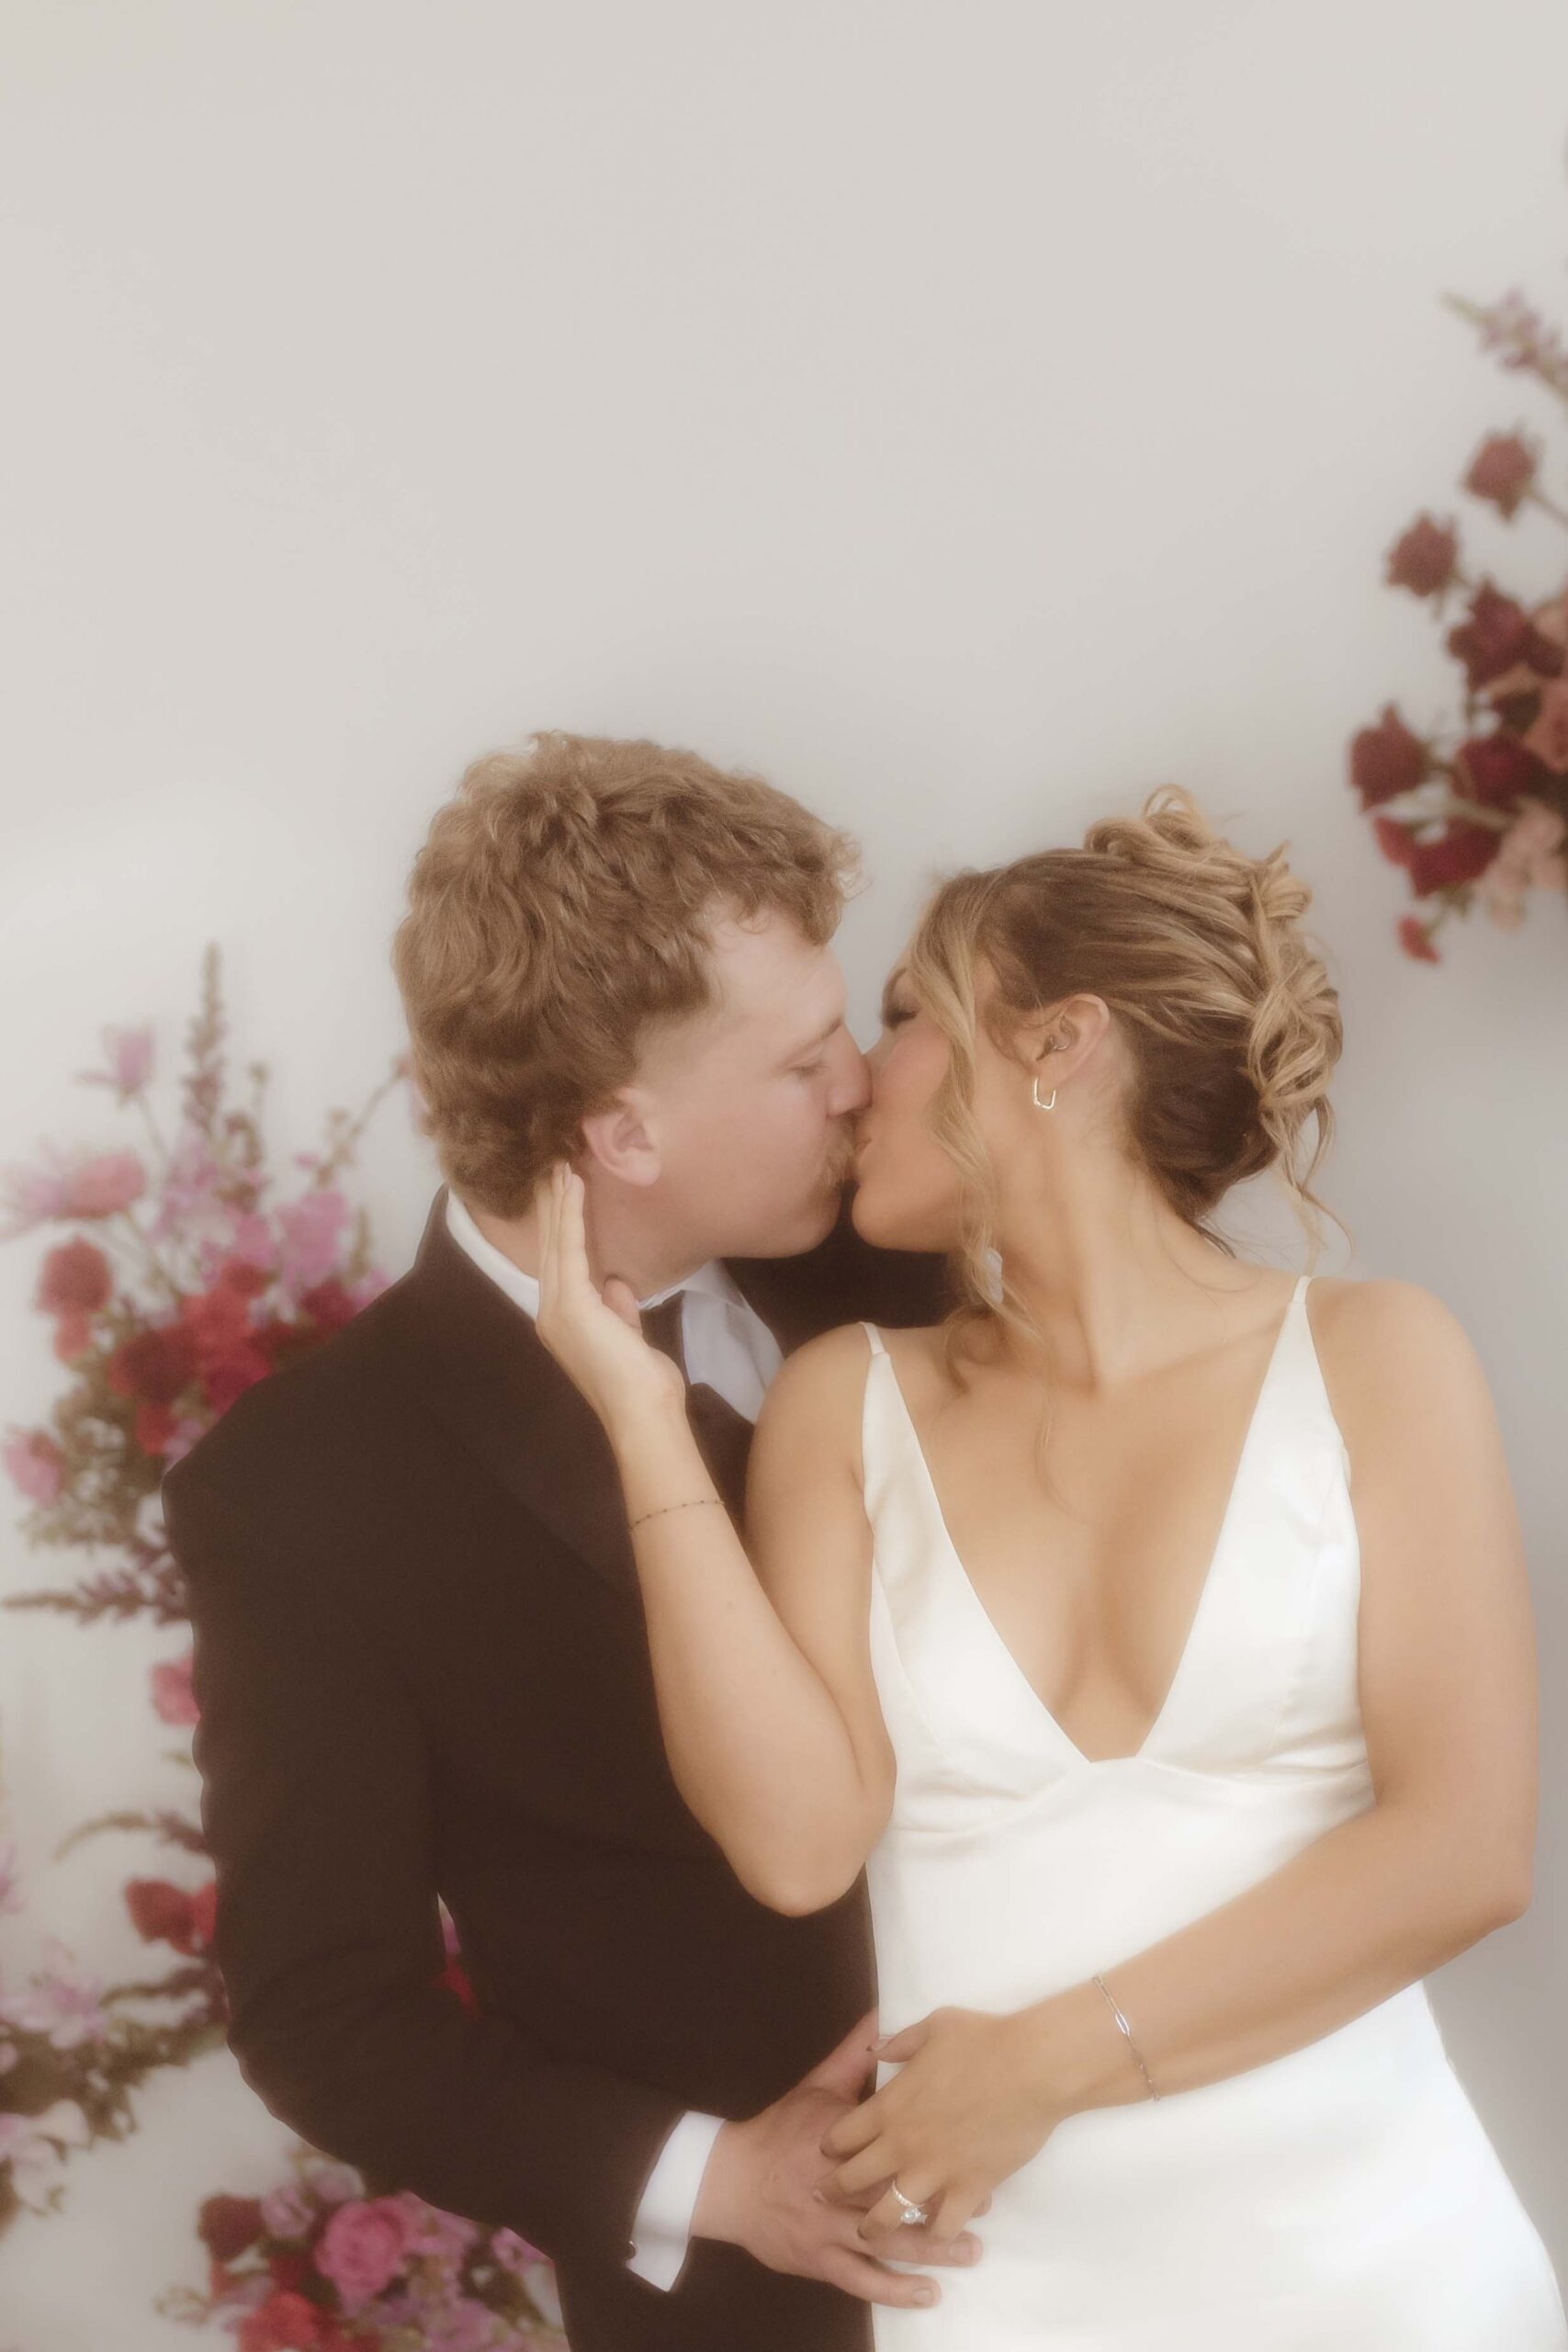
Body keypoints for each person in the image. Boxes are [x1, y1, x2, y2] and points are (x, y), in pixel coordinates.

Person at [533, 785, 1568, 2348]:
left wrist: (1044, 2066)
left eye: (904, 1016)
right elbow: (800, 1847)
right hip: (1004, 2298)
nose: (851, 1081)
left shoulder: (1375, 1357)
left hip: (1387, 2278)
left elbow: (1465, 1849)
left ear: (1059, 1043)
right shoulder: (845, 1404)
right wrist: (640, 1419)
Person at [160, 730, 995, 2352]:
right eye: (806, 1058)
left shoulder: (928, 1258)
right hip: (773, 2308)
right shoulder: (303, 1492)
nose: (865, 1081)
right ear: (624, 1135)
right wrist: (720, 2183)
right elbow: (327, 2011)